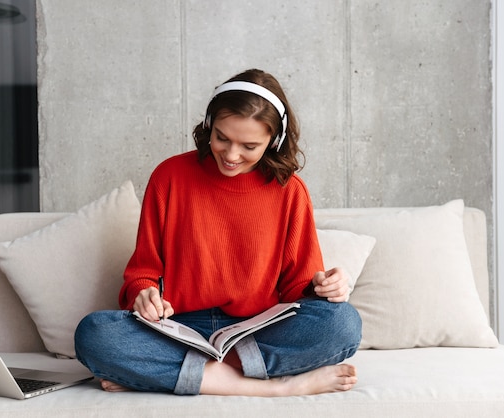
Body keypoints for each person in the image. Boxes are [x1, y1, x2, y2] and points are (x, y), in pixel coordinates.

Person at [74, 68, 362, 396]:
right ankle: (274, 387)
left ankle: (175, 373)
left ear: (274, 141)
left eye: (249, 145)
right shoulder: (169, 176)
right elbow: (143, 273)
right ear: (210, 124)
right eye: (222, 137)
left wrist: (326, 287)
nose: (231, 154)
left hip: (255, 328)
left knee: (343, 323)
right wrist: (146, 295)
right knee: (94, 334)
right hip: (178, 329)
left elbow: (297, 290)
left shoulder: (289, 191)